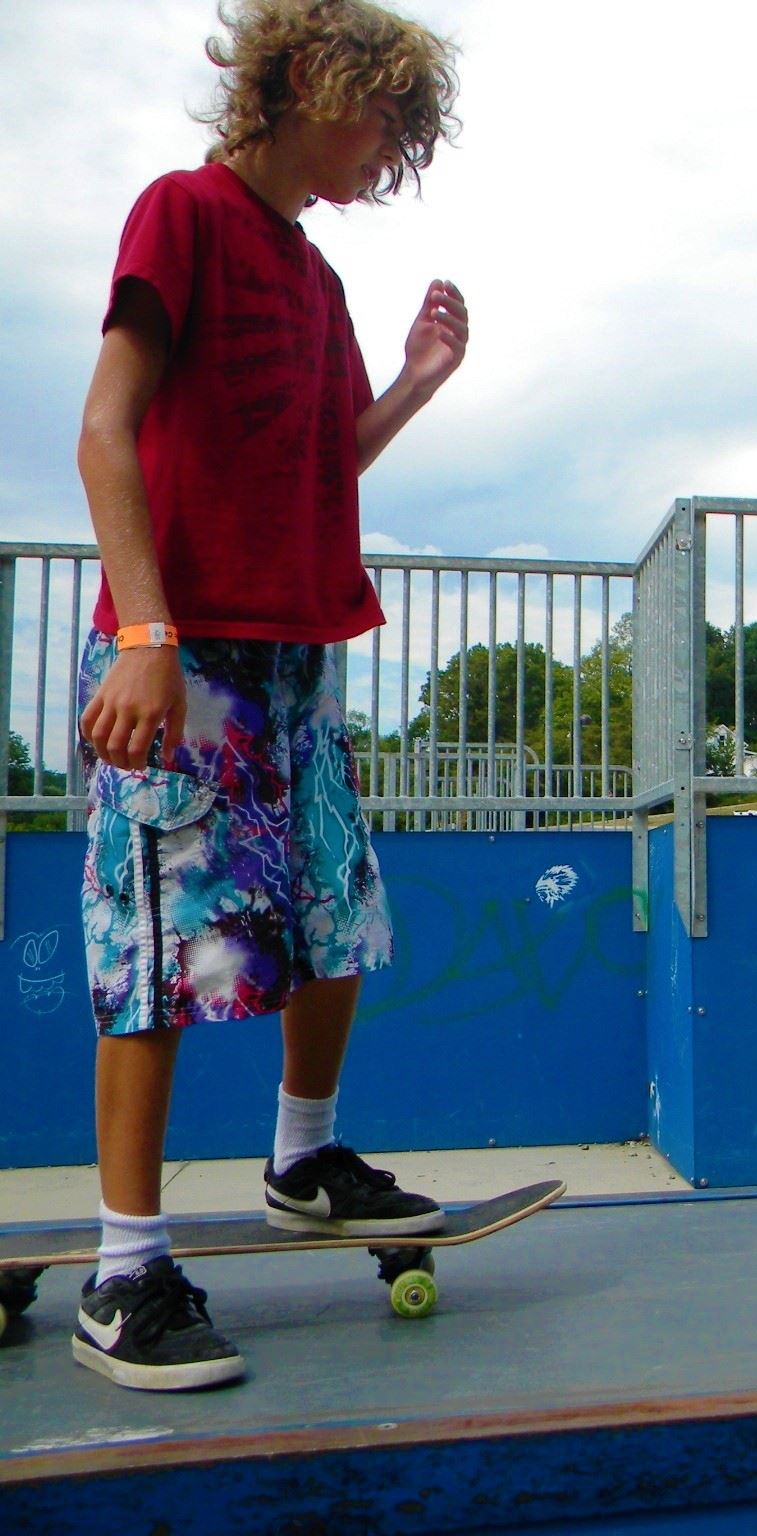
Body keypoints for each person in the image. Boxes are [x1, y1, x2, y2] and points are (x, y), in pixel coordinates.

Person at [71, 0, 464, 1391]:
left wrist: (414, 383)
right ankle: (126, 1272)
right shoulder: (182, 215)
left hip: (297, 657)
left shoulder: (317, 283)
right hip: (185, 660)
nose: (392, 149)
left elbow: (324, 453)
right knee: (165, 950)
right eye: (382, 116)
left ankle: (303, 1159)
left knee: (333, 915)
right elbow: (105, 426)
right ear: (302, 82)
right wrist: (145, 631)